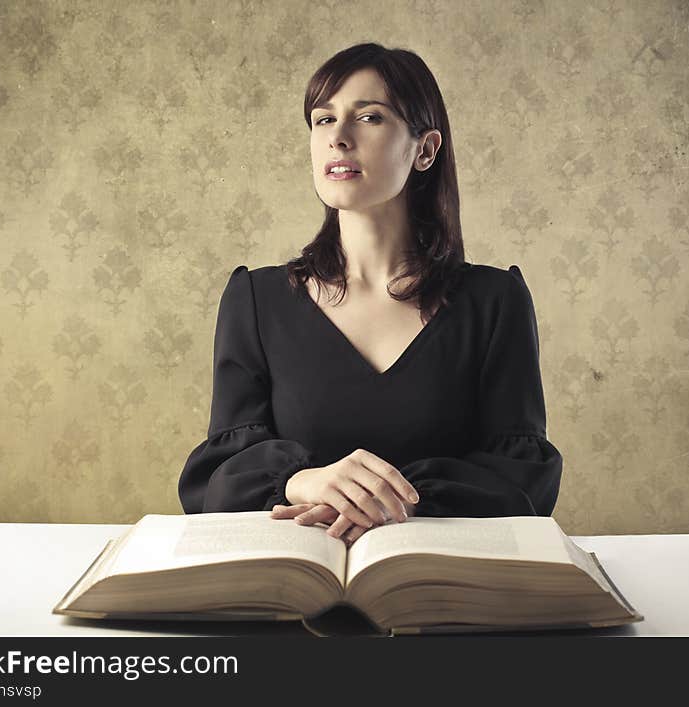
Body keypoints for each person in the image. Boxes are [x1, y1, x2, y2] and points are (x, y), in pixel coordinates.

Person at [178, 43, 563, 548]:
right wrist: (302, 480)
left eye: (370, 118)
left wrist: (390, 497)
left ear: (425, 150)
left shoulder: (496, 302)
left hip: (441, 588)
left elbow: (523, 482)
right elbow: (214, 478)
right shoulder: (255, 299)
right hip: (291, 584)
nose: (338, 138)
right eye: (323, 119)